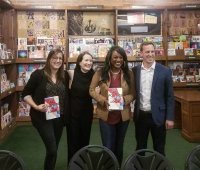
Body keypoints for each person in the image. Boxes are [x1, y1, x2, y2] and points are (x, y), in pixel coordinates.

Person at [22, 48, 69, 170]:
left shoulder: (63, 75)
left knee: (54, 148)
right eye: (55, 58)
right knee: (52, 149)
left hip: (59, 117)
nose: (57, 61)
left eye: (60, 58)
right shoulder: (38, 74)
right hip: (42, 118)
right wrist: (36, 107)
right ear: (49, 59)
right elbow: (25, 94)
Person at [89, 46, 136, 166]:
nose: (118, 60)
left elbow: (133, 94)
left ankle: (118, 167)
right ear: (110, 58)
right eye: (115, 57)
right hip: (106, 115)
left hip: (122, 116)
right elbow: (91, 90)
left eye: (121, 57)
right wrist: (103, 100)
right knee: (108, 147)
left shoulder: (128, 73)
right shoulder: (100, 71)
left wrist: (124, 99)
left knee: (119, 146)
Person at [132, 41, 175, 156]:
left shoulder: (165, 71)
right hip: (141, 116)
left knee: (159, 149)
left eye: (152, 51)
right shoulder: (135, 71)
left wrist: (170, 118)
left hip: (159, 117)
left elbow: (170, 96)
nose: (150, 54)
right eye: (147, 52)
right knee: (140, 148)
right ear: (141, 53)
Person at [67, 52, 95, 163]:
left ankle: (83, 163)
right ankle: (73, 163)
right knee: (73, 140)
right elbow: (54, 73)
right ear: (79, 62)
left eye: (90, 61)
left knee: (85, 139)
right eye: (86, 60)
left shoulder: (94, 75)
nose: (89, 63)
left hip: (87, 112)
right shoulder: (71, 73)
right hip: (73, 112)